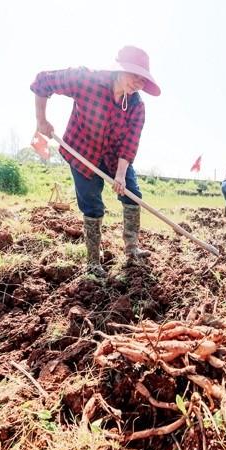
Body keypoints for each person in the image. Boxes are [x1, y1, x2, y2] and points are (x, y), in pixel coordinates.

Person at [30, 46, 160, 277]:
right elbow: (42, 82)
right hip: (83, 152)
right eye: (134, 75)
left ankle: (132, 249)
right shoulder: (85, 79)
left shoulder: (137, 106)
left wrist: (120, 174)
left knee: (132, 196)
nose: (138, 83)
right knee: (91, 204)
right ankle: (93, 262)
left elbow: (130, 142)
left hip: (115, 157)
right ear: (119, 70)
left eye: (143, 79)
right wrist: (41, 120)